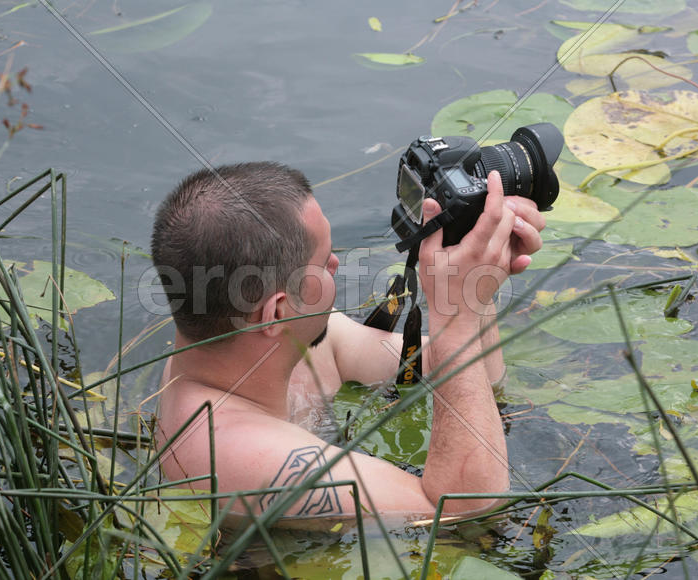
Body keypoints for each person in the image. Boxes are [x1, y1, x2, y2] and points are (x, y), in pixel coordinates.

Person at [151, 162, 545, 521]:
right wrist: (455, 320)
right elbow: (466, 510)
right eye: (324, 262)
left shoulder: (294, 344)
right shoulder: (236, 452)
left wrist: (475, 271)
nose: (337, 264)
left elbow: (479, 377)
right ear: (276, 312)